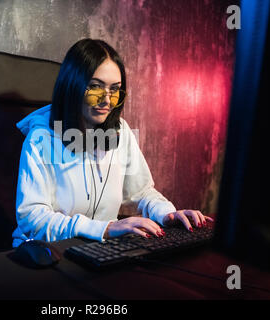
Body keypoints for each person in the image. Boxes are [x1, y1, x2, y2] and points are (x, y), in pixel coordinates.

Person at [12, 38, 213, 247]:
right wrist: (104, 229)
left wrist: (167, 214)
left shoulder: (120, 131)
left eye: (114, 89)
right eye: (96, 87)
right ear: (73, 86)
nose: (107, 100)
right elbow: (32, 219)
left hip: (99, 249)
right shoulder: (41, 139)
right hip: (46, 253)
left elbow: (141, 192)